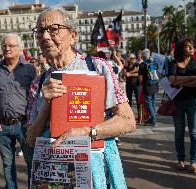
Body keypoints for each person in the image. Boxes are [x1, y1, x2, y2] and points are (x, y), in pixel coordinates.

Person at [26, 8, 136, 189]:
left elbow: (128, 121)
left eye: (54, 29)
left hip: (94, 173)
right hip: (55, 175)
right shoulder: (37, 84)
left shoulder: (97, 68)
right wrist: (47, 104)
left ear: (73, 36)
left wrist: (88, 132)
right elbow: (31, 139)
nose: (45, 36)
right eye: (40, 31)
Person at [0, 33, 37, 189]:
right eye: (4, 46)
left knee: (30, 161)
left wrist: (33, 122)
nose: (7, 49)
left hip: (24, 125)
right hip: (2, 126)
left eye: (11, 46)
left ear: (19, 48)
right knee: (7, 163)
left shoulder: (30, 69)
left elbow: (35, 98)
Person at [168, 39, 196, 173]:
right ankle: (180, 159)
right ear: (181, 49)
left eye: (192, 46)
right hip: (177, 101)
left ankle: (194, 161)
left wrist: (182, 82)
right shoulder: (173, 63)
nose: (191, 48)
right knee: (179, 131)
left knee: (194, 131)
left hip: (195, 101)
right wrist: (193, 78)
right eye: (187, 46)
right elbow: (172, 80)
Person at [138, 49, 159, 126]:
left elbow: (140, 77)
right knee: (153, 102)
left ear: (143, 55)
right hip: (155, 85)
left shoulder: (142, 64)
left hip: (147, 86)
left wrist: (142, 85)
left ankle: (153, 120)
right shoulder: (154, 62)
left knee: (148, 103)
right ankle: (152, 118)